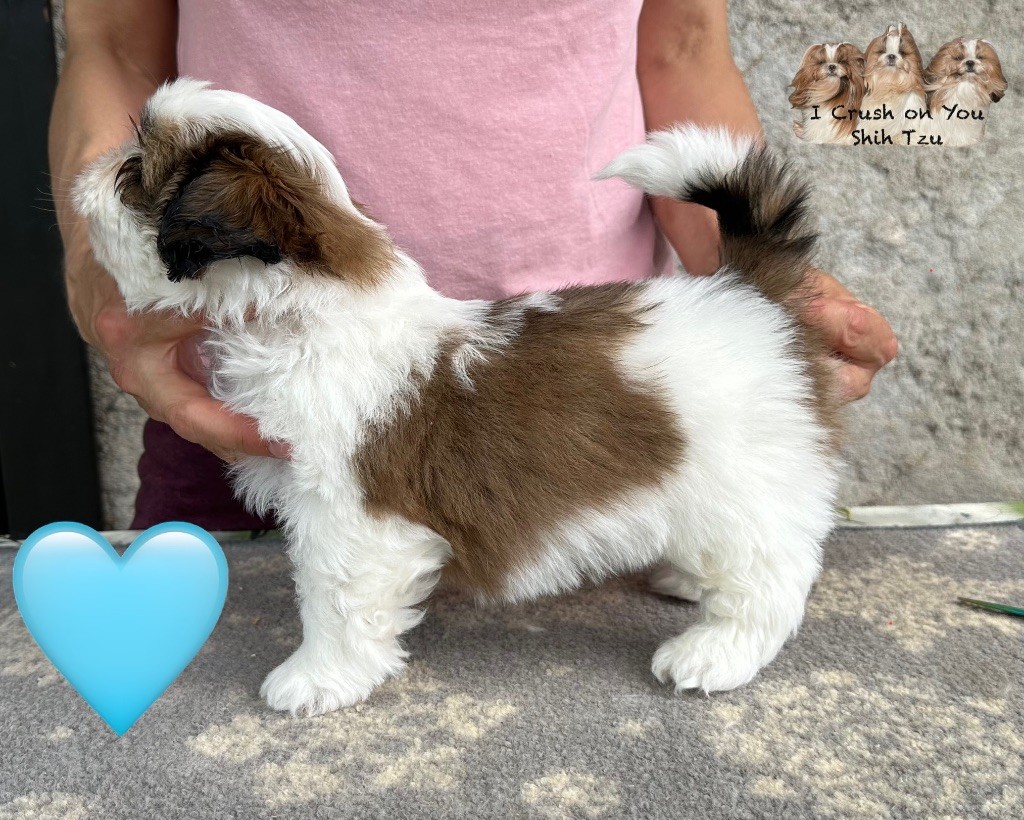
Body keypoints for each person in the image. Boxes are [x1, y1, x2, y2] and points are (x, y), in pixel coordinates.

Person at [51, 0, 898, 530]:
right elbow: (113, 45)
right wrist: (101, 270)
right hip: (242, 410)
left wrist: (760, 296)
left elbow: (679, 48)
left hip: (591, 415)